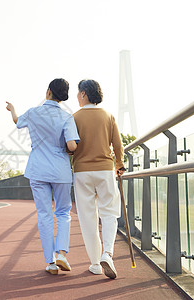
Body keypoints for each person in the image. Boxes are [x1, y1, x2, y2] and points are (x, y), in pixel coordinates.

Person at [6, 78, 80, 275]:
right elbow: (72, 145)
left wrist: (12, 109)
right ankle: (62, 253)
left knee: (44, 214)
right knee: (63, 212)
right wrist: (69, 149)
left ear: (48, 92)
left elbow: (16, 121)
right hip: (61, 170)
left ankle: (51, 262)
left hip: (38, 170)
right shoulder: (67, 117)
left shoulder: (33, 112)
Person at [72, 79, 125, 279]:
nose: (77, 97)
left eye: (78, 93)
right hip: (105, 170)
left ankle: (95, 263)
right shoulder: (108, 116)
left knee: (88, 219)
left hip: (82, 172)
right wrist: (119, 164)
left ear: (84, 94)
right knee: (110, 213)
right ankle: (108, 254)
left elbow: (69, 146)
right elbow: (117, 145)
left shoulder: (74, 118)